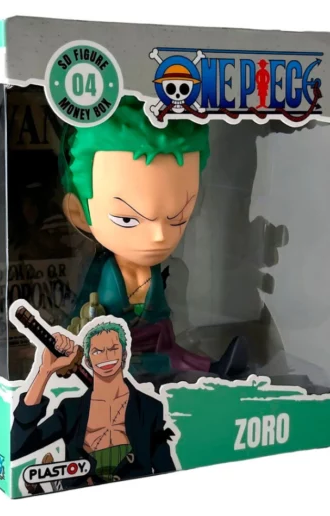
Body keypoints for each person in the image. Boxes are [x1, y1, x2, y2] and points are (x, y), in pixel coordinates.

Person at [60, 95, 247, 379]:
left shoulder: (161, 271)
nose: (159, 236)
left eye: (178, 218)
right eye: (127, 219)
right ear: (78, 213)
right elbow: (83, 314)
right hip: (114, 356)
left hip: (158, 347)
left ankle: (217, 369)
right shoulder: (101, 272)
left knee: (176, 358)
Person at [11, 320, 177, 488]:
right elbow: (16, 447)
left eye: (113, 349)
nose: (106, 356)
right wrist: (45, 371)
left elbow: (165, 470)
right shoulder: (71, 410)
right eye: (97, 351)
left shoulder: (149, 407)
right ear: (88, 360)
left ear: (124, 354)